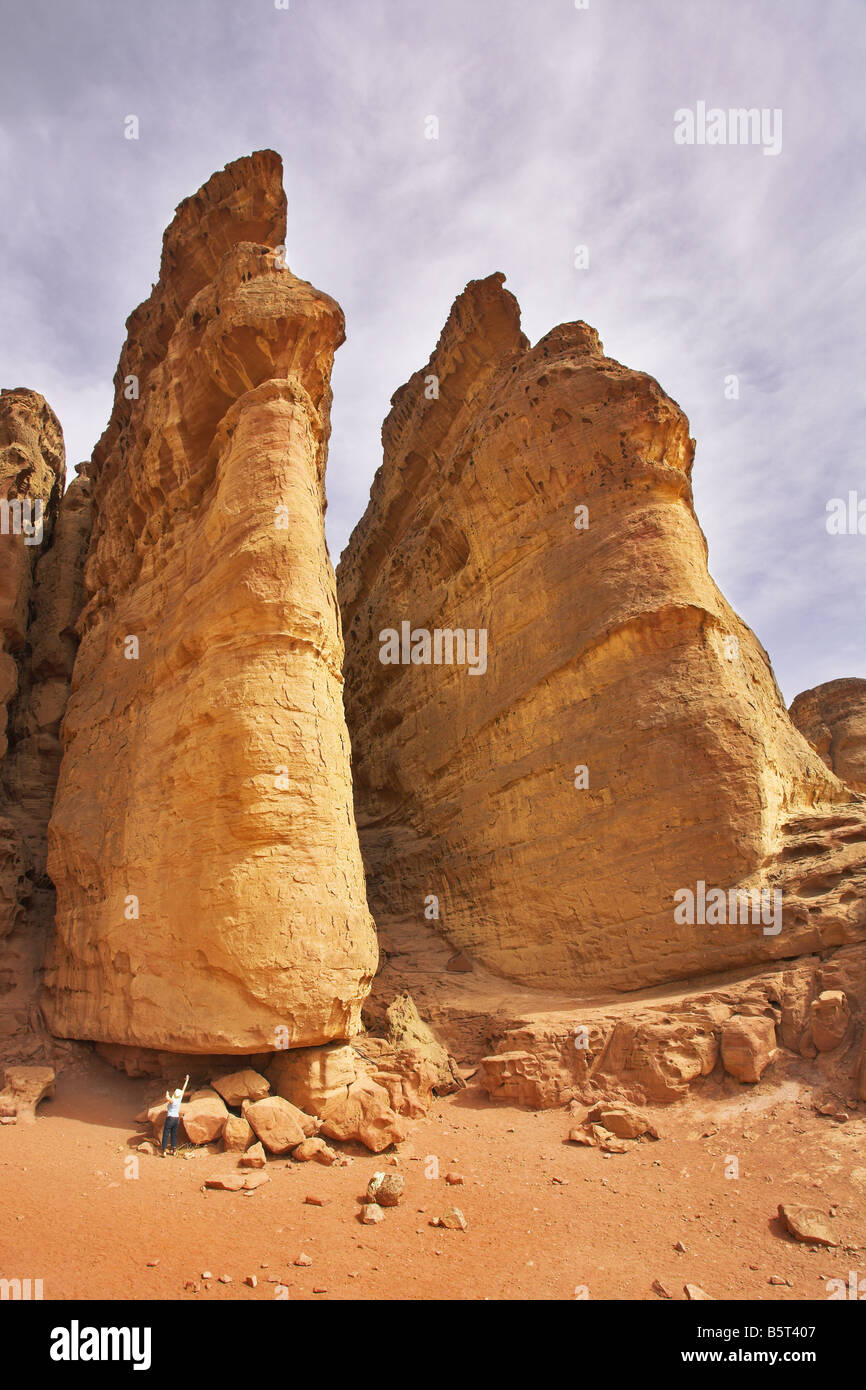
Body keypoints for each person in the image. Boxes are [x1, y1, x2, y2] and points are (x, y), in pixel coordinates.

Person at [160, 1074, 189, 1157]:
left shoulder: (173, 1100)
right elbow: (183, 1089)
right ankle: (174, 1150)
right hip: (176, 1119)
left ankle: (164, 1151)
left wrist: (167, 1094)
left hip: (170, 1118)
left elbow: (167, 1098)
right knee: (174, 1134)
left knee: (166, 1133)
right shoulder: (179, 1099)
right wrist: (187, 1080)